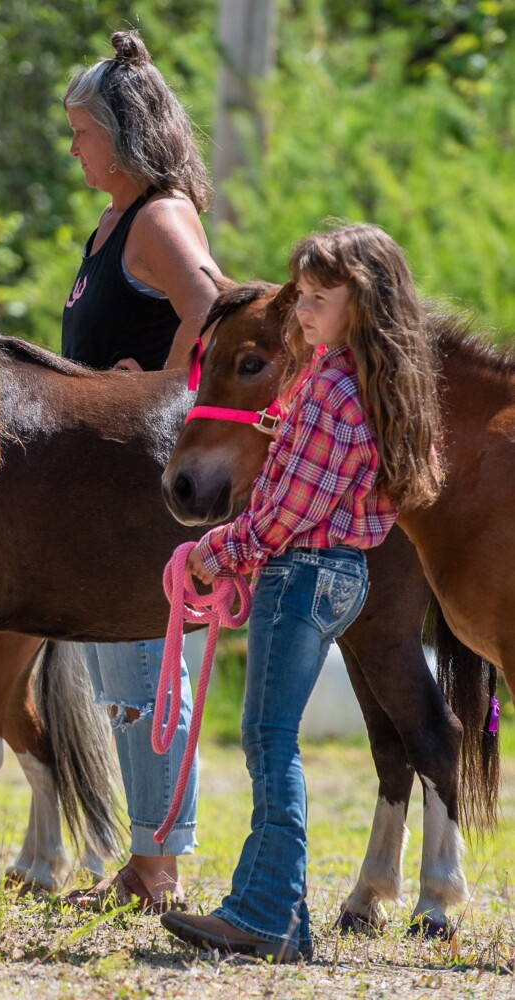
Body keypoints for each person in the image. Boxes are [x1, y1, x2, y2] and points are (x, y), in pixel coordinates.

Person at [162, 223, 443, 960]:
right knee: (270, 738)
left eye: (319, 298)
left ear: (363, 304)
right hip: (341, 571)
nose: (302, 311)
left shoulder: (328, 391)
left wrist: (217, 551)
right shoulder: (372, 385)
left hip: (304, 572)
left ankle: (267, 913)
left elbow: (291, 511)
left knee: (268, 739)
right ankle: (272, 911)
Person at [60, 29, 224, 911]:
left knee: (143, 674)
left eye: (82, 131)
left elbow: (222, 311)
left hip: (148, 492)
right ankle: (145, 854)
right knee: (115, 677)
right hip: (108, 490)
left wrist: (165, 387)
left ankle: (159, 865)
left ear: (122, 133)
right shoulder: (112, 220)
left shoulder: (160, 216)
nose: (74, 146)